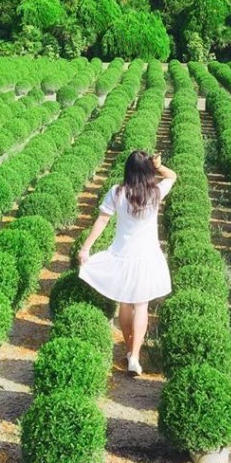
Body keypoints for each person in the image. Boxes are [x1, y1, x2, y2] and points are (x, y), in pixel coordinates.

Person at [78, 150, 176, 376]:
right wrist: (159, 166)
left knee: (125, 303)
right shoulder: (156, 192)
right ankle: (135, 355)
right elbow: (172, 176)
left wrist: (86, 247)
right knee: (141, 305)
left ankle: (128, 347)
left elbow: (102, 220)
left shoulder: (117, 192)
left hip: (122, 255)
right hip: (147, 256)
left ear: (128, 170)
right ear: (147, 170)